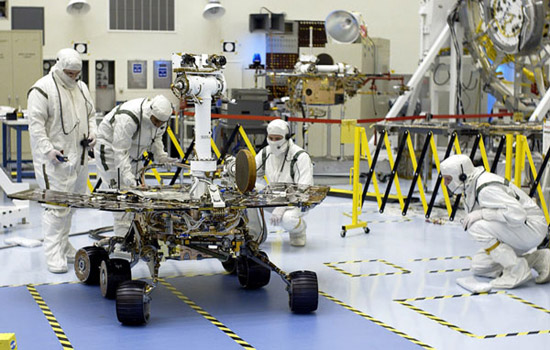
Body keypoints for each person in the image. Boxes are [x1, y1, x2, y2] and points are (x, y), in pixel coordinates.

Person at [28, 48, 97, 273]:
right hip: (55, 160)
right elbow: (36, 125)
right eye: (69, 73)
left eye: (76, 74)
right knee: (56, 208)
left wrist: (93, 132)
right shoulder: (42, 89)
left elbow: (91, 114)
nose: (73, 77)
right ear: (58, 67)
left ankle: (64, 244)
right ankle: (53, 253)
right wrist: (48, 150)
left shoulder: (82, 88)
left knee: (73, 205)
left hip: (79, 157)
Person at [440, 154, 550, 290]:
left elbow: (518, 214)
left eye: (448, 179)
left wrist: (482, 214)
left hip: (531, 228)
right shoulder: (473, 185)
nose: (445, 184)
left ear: (461, 176)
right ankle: (540, 259)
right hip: (520, 228)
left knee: (476, 226)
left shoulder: (485, 189)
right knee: (480, 266)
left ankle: (516, 270)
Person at [94, 95, 177, 238]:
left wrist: (161, 156)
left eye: (161, 122)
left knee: (137, 197)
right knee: (121, 196)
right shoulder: (129, 117)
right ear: (150, 113)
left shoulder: (161, 120)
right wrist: (127, 176)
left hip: (133, 154)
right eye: (155, 121)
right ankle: (122, 241)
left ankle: (135, 236)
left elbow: (156, 138)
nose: (158, 124)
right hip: (110, 151)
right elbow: (120, 151)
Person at [255, 119, 314, 246]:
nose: (274, 142)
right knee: (251, 188)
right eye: (271, 138)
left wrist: (283, 206)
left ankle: (299, 230)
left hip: (297, 201)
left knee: (288, 220)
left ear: (287, 137)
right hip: (274, 196)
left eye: (278, 138)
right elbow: (252, 172)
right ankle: (253, 232)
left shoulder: (300, 157)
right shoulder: (265, 153)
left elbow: (303, 189)